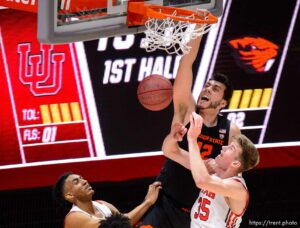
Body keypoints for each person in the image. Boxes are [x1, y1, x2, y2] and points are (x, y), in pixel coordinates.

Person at [141, 28, 240, 227]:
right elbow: (185, 64)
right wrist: (198, 28)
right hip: (165, 202)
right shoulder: (187, 112)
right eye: (207, 86)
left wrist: (212, 168)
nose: (207, 89)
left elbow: (230, 174)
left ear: (222, 103)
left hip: (196, 214)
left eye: (215, 89)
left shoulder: (231, 130)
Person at [163, 112, 259, 227]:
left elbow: (202, 181)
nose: (223, 147)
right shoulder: (211, 169)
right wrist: (173, 137)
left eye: (230, 148)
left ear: (235, 163)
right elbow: (170, 151)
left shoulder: (238, 189)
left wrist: (193, 139)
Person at [53, 172, 162, 228]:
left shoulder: (102, 204)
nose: (85, 181)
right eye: (76, 182)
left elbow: (126, 221)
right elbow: (118, 226)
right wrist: (148, 201)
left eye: (82, 178)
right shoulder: (74, 217)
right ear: (70, 195)